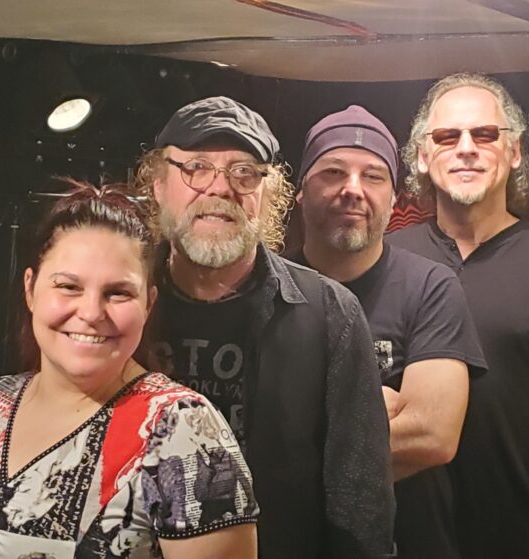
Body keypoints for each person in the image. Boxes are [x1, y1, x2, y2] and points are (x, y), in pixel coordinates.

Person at [0, 180, 258, 558]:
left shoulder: (182, 427)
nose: (92, 313)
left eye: (118, 293)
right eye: (68, 286)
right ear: (30, 289)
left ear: (148, 304)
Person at [134, 96, 395, 558]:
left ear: (268, 195)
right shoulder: (119, 304)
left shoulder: (331, 314)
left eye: (244, 172)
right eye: (196, 167)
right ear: (157, 184)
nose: (220, 187)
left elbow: (360, 508)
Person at [389, 73, 529, 559]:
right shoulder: (386, 262)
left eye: (485, 134)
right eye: (447, 136)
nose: (466, 148)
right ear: (423, 156)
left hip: (524, 541)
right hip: (398, 543)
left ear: (514, 152)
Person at [293, 104, 486, 559]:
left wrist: (297, 440)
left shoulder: (429, 286)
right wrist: (371, 411)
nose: (352, 189)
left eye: (373, 176)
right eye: (333, 172)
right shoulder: (271, 287)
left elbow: (432, 436)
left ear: (394, 199)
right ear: (300, 191)